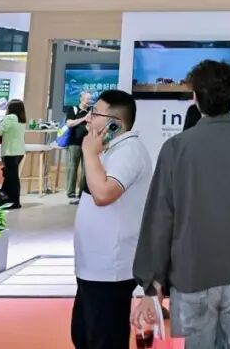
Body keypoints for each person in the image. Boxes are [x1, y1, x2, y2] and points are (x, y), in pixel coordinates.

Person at [133, 61, 230, 348]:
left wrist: (152, 280)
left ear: (195, 97)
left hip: (190, 271)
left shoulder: (176, 147)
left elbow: (160, 217)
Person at [71, 89, 151, 349]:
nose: (88, 119)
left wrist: (89, 153)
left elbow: (104, 194)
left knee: (104, 339)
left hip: (110, 269)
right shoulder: (109, 149)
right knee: (85, 336)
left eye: (95, 114)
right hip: (94, 266)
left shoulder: (129, 151)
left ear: (115, 123)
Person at [0, 99, 27, 209]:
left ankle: (14, 202)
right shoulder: (21, 120)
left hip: (10, 151)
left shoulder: (10, 117)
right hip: (19, 151)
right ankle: (4, 199)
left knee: (12, 178)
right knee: (10, 177)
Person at [64, 91, 93, 204]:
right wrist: (84, 118)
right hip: (74, 142)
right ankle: (70, 191)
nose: (89, 101)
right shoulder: (73, 109)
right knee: (72, 167)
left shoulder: (92, 111)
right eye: (87, 99)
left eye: (90, 99)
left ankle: (83, 192)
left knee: (86, 170)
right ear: (81, 99)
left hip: (88, 144)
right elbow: (69, 123)